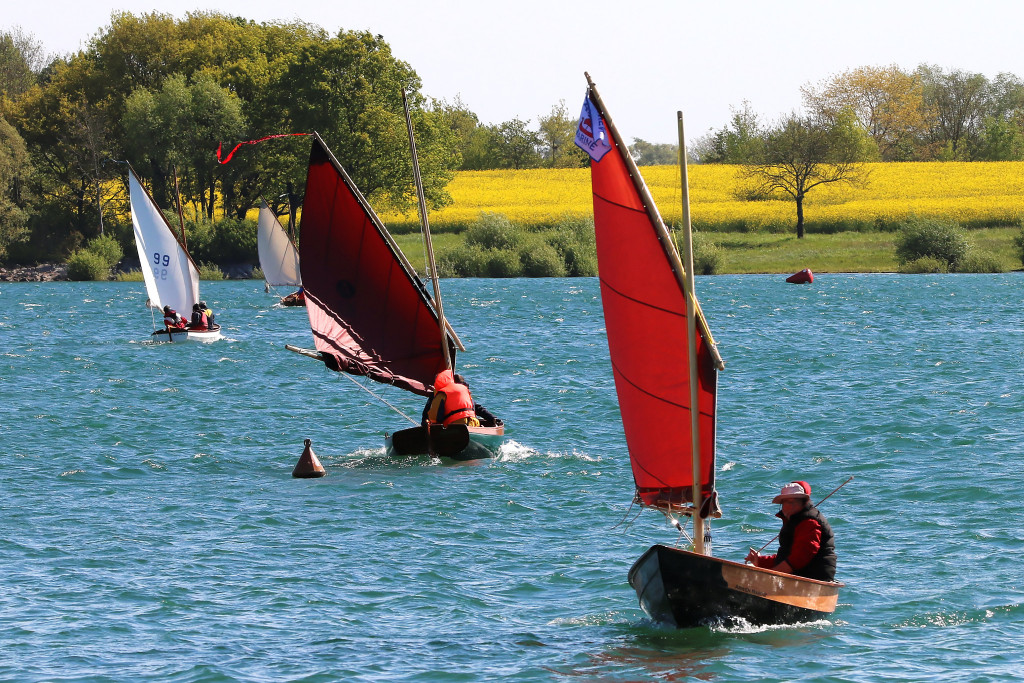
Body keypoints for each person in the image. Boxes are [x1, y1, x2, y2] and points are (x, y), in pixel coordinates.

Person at [745, 481, 837, 582]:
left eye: (793, 502)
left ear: (803, 503)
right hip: (800, 575)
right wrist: (760, 561)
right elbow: (787, 557)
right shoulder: (794, 521)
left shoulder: (809, 522)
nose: (789, 506)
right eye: (786, 502)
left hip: (814, 577)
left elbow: (800, 557)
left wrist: (771, 577)